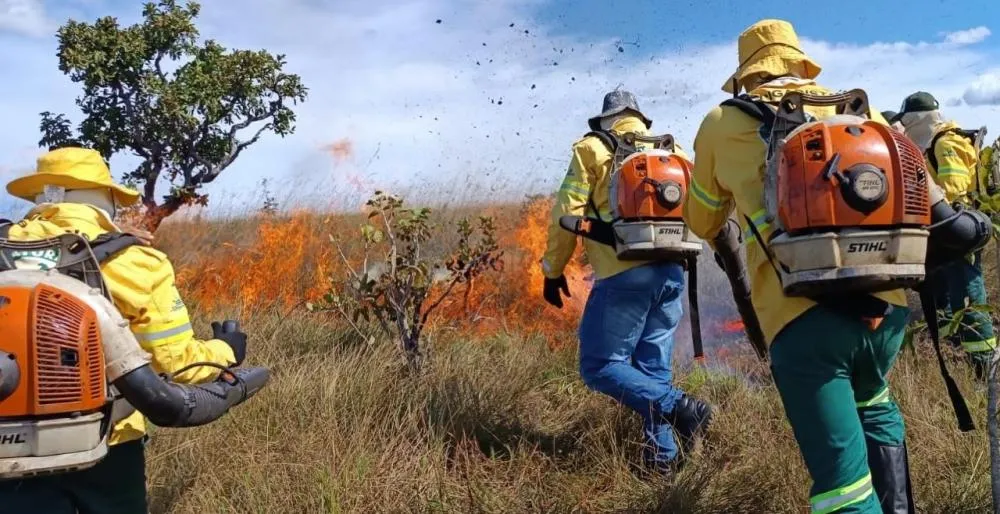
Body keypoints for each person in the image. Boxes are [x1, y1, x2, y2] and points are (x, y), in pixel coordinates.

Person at [683, 19, 913, 513]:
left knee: (843, 489)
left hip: (803, 319)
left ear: (748, 75)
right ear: (799, 61)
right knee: (875, 406)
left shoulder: (723, 123)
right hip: (887, 306)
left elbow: (701, 219)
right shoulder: (855, 107)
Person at [0, 146, 248, 513]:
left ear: (40, 196)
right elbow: (175, 362)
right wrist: (226, 349)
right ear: (105, 198)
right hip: (107, 443)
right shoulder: (135, 261)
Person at [541, 89, 713, 474]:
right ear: (639, 118)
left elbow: (566, 214)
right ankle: (661, 465)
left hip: (623, 275)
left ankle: (684, 408)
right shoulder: (674, 151)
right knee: (652, 371)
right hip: (672, 273)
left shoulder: (592, 149)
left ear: (606, 121)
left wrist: (553, 270)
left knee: (600, 365)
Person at [892, 93, 995, 379]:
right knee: (946, 294)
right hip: (946, 235)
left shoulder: (946, 143)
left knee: (968, 299)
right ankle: (956, 349)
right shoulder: (935, 145)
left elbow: (953, 191)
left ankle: (985, 366)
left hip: (959, 233)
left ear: (915, 120)